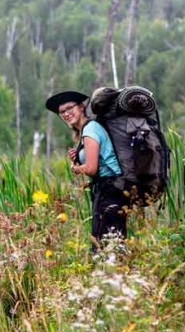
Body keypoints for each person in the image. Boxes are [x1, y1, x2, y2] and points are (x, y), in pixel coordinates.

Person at [45, 90, 128, 251]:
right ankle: (114, 274)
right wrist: (78, 158)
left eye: (70, 108)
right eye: (62, 112)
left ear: (82, 107)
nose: (66, 113)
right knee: (109, 242)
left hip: (111, 189)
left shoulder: (90, 129)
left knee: (107, 245)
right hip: (108, 189)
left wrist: (76, 168)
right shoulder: (86, 130)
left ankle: (114, 274)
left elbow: (91, 168)